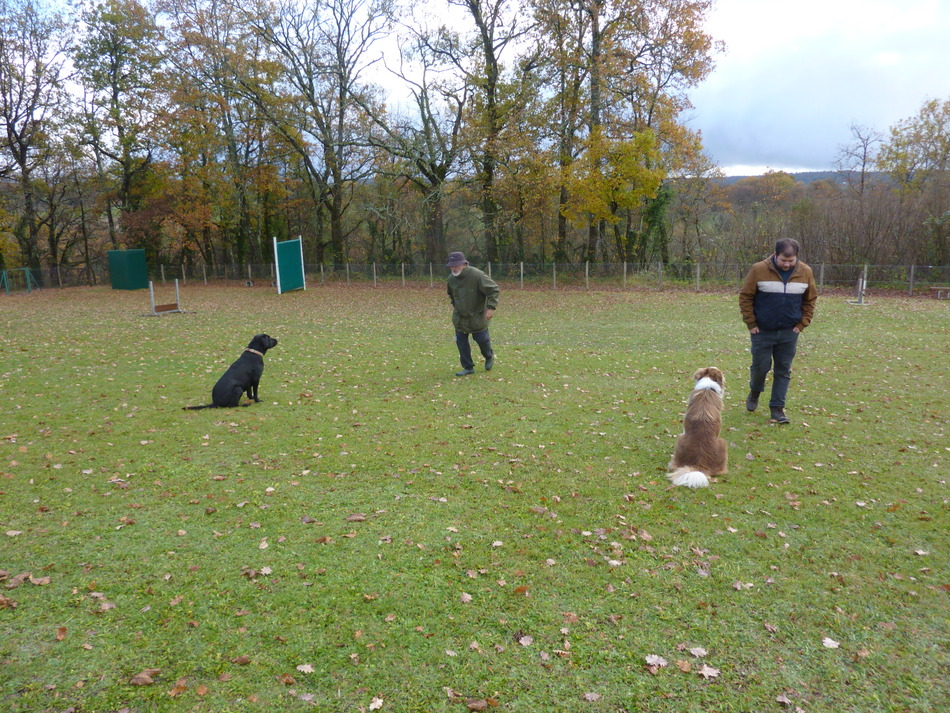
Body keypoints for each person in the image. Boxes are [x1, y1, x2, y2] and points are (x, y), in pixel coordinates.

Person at [739, 238, 818, 424]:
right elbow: (745, 297)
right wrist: (751, 324)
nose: (787, 264)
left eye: (791, 261)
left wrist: (802, 324)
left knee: (783, 370)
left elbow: (810, 300)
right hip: (762, 331)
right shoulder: (758, 269)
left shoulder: (805, 272)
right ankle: (755, 391)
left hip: (789, 332)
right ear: (775, 255)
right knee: (760, 368)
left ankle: (777, 408)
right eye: (784, 260)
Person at [446, 251, 499, 376]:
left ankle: (489, 356)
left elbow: (493, 289)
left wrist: (491, 308)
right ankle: (468, 367)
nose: (453, 268)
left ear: (464, 264)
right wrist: (456, 306)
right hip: (459, 317)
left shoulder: (477, 275)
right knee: (461, 342)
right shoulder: (451, 279)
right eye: (451, 266)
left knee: (482, 340)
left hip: (477, 316)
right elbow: (451, 294)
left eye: (456, 265)